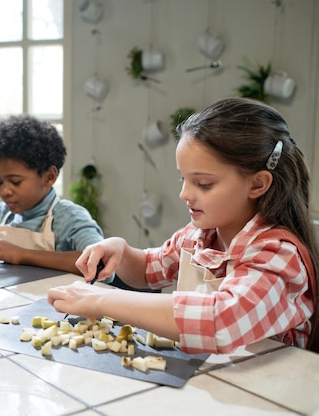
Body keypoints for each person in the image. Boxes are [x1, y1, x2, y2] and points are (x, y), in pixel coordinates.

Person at [48, 97, 319, 354]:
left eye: (203, 184)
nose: (185, 194)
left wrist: (100, 300)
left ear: (257, 184)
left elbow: (220, 320)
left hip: (271, 394)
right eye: (183, 180)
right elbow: (147, 270)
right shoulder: (197, 236)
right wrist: (119, 249)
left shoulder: (279, 255)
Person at [0, 114, 104, 275]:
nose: (4, 191)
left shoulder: (70, 218)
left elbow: (100, 264)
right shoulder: (4, 214)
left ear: (49, 176)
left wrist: (22, 255)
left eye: (15, 181)